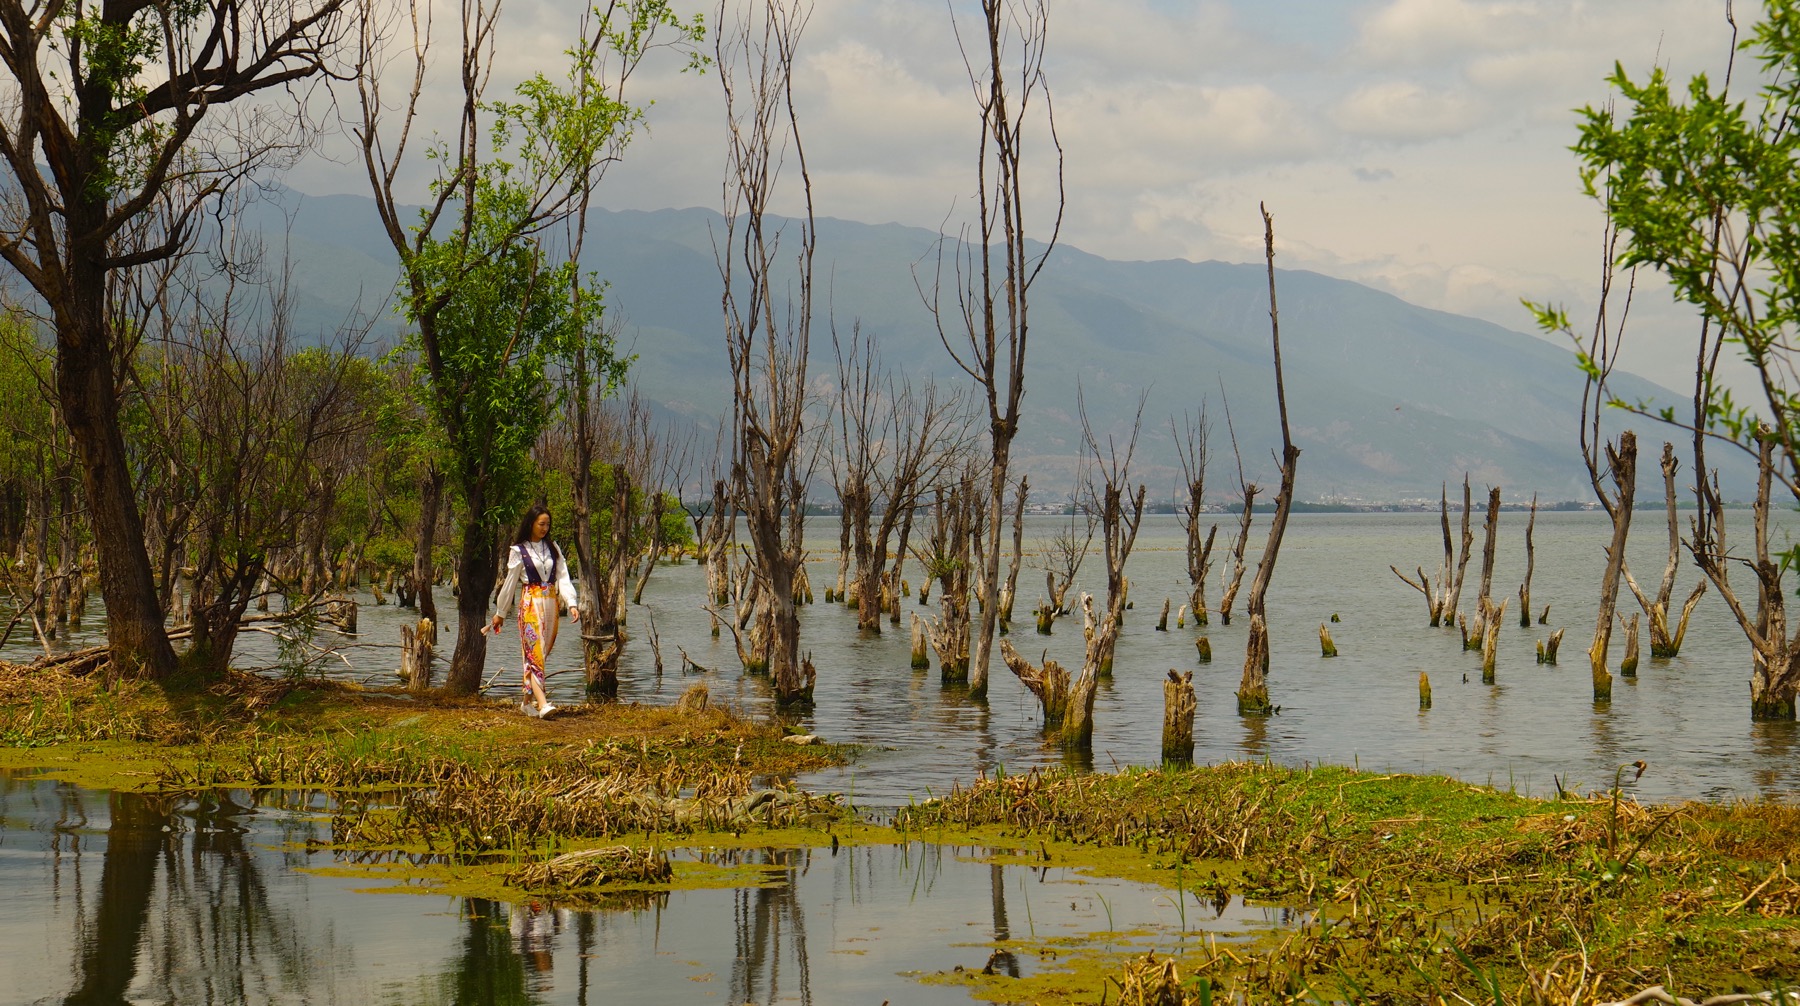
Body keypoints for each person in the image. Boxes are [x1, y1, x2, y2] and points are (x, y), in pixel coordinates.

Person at [490, 504, 580, 717]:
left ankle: (526, 703)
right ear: (531, 523)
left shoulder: (553, 548)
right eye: (541, 524)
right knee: (534, 653)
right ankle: (543, 704)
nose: (545, 528)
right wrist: (501, 612)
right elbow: (510, 583)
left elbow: (563, 575)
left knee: (541, 653)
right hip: (530, 604)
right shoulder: (518, 551)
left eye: (548, 524)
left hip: (550, 604)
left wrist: (572, 602)